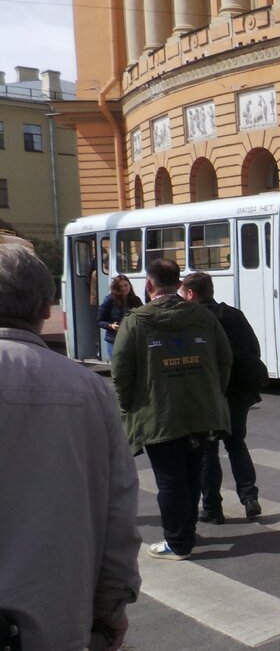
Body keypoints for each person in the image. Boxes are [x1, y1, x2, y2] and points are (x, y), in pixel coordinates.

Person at [0, 245, 141, 650]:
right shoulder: (88, 389)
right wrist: (110, 609)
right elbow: (118, 512)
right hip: (49, 624)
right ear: (47, 309)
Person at [111, 259, 232, 560]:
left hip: (159, 413)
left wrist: (128, 407)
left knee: (170, 479)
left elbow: (121, 371)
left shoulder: (136, 321)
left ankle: (178, 542)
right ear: (179, 284)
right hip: (201, 410)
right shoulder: (204, 317)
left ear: (149, 285)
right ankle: (186, 532)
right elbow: (225, 359)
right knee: (192, 474)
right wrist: (214, 392)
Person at [180, 272, 263, 523]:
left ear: (192, 294)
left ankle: (213, 509)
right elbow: (254, 349)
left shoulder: (191, 319)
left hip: (208, 394)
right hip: (239, 392)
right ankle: (250, 498)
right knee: (236, 443)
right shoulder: (234, 315)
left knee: (208, 450)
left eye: (183, 293)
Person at [98, 274, 144, 359]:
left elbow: (143, 317)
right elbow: (99, 321)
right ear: (116, 288)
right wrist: (111, 326)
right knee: (119, 367)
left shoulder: (136, 300)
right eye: (120, 286)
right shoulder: (109, 300)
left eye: (126, 285)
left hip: (132, 340)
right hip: (114, 341)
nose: (123, 288)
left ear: (129, 285)